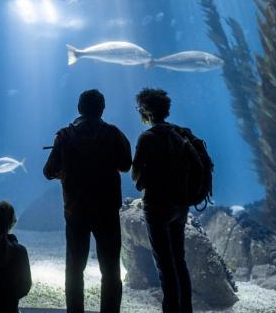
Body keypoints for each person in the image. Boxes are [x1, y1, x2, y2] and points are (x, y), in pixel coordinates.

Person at [43, 89, 132, 313]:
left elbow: (48, 171)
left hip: (76, 210)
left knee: (74, 268)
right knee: (111, 269)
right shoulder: (114, 134)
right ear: (102, 108)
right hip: (107, 210)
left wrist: (64, 171)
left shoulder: (64, 135)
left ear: (79, 108)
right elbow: (126, 165)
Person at [131, 88, 192, 313]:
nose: (139, 112)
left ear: (146, 110)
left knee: (164, 264)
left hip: (157, 205)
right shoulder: (181, 133)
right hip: (181, 204)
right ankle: (186, 309)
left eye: (140, 109)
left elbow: (135, 172)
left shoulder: (147, 137)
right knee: (179, 260)